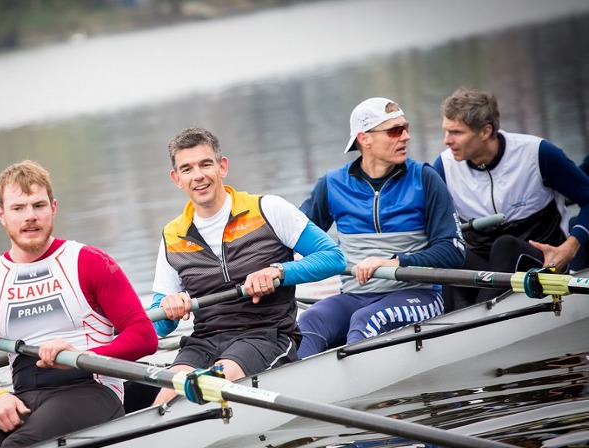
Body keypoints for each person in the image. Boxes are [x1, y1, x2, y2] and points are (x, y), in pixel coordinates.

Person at [0, 160, 158, 448]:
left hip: (91, 390)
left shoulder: (89, 262)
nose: (30, 216)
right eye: (18, 208)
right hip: (25, 397)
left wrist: (82, 353)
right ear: (1, 215)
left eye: (38, 205)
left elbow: (143, 335)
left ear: (53, 208)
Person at [150, 127, 346, 405]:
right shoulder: (172, 236)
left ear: (222, 167)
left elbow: (333, 257)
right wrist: (169, 307)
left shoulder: (269, 209)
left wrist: (278, 271)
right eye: (187, 169)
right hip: (203, 340)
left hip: (266, 335)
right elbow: (157, 328)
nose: (198, 176)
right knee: (164, 403)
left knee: (209, 387)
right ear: (177, 179)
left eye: (206, 164)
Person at [297, 97, 466, 358]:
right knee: (308, 323)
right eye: (395, 131)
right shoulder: (332, 185)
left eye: (406, 128)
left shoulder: (425, 178)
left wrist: (393, 262)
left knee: (366, 321)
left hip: (418, 296)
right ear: (365, 139)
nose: (406, 137)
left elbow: (453, 251)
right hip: (354, 296)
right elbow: (289, 239)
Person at [433, 87, 589, 310]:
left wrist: (570, 247)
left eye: (456, 132)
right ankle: (450, 324)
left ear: (485, 132)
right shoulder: (444, 167)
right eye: (446, 131)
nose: (446, 141)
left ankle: (473, 323)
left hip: (545, 265)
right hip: (487, 272)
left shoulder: (538, 153)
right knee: (449, 253)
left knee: (505, 246)